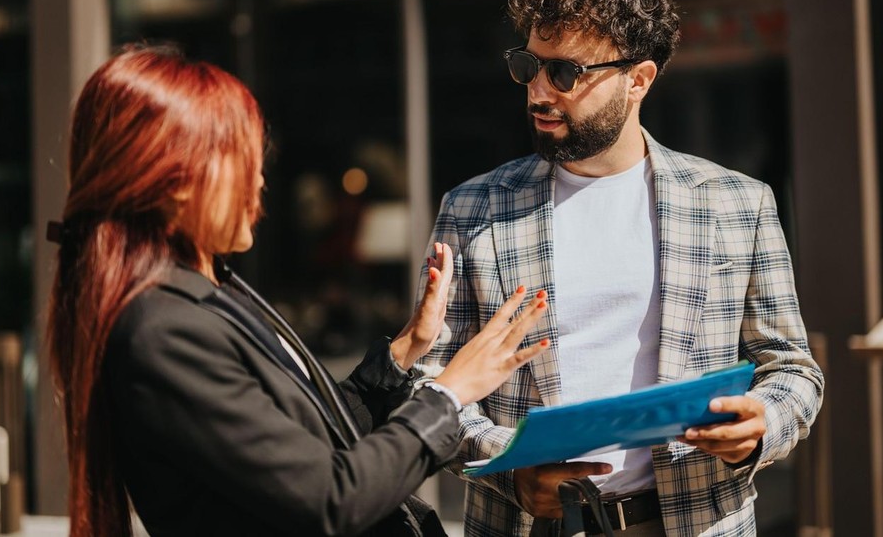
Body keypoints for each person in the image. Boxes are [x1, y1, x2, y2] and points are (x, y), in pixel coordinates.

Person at [45, 44, 553, 537]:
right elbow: (331, 500)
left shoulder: (200, 294)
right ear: (179, 180)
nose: (260, 182)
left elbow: (317, 437)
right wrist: (450, 393)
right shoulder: (162, 329)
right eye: (244, 160)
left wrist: (403, 352)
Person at [414, 0, 825, 536]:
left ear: (638, 80)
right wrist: (510, 466)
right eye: (528, 65)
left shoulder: (736, 204)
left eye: (565, 73)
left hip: (695, 521)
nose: (538, 91)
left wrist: (762, 423)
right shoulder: (474, 207)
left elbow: (792, 370)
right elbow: (427, 382)